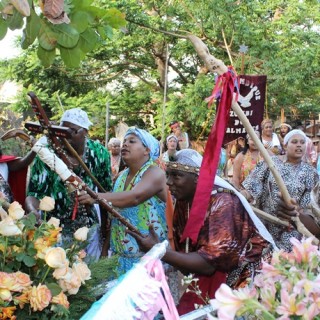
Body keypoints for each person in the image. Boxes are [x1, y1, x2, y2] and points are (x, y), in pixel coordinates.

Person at [127, 149, 275, 315]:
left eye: (176, 176)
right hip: (215, 276)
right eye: (168, 175)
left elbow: (208, 265)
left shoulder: (224, 202)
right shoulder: (184, 202)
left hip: (248, 279)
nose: (168, 182)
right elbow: (188, 264)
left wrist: (159, 251)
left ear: (198, 178)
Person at [25, 108, 113, 260]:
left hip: (89, 229)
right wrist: (34, 211)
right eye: (61, 130)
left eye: (71, 131)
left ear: (84, 131)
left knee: (89, 275)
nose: (64, 136)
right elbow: (33, 195)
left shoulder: (99, 153)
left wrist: (105, 238)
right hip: (53, 231)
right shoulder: (48, 154)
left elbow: (105, 194)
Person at [79, 127, 168, 275]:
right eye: (124, 141)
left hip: (148, 261)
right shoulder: (121, 176)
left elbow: (134, 197)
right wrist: (104, 250)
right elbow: (115, 215)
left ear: (147, 150)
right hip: (119, 259)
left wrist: (96, 197)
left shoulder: (154, 172)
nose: (124, 144)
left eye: (132, 141)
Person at [242, 129, 320, 251]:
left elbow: (310, 211)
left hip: (292, 234)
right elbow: (252, 187)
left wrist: (296, 212)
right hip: (265, 228)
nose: (299, 145)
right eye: (294, 142)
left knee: (286, 267)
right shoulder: (270, 162)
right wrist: (242, 194)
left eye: (302, 142)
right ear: (285, 145)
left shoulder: (311, 173)